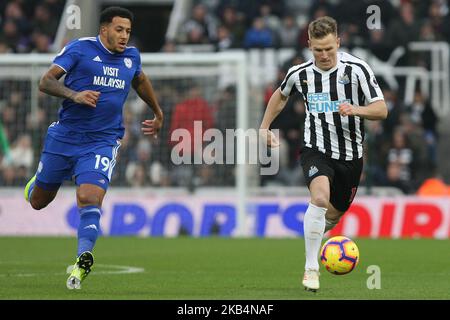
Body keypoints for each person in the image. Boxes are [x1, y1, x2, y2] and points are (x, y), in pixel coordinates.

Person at [23, 7, 163, 290]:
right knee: (38, 201)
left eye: (128, 32)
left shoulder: (131, 57)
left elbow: (140, 80)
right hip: (65, 137)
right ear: (104, 30)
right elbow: (46, 81)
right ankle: (36, 183)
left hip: (102, 141)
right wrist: (74, 94)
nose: (124, 36)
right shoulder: (79, 49)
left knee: (89, 197)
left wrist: (158, 113)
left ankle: (82, 257)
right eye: (119, 30)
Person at [259, 16, 387, 292]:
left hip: (351, 156)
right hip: (315, 149)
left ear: (338, 42)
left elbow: (381, 109)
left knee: (333, 213)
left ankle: (314, 231)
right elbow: (281, 95)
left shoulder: (357, 70)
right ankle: (311, 269)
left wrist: (356, 109)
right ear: (309, 46)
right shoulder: (300, 73)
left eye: (329, 48)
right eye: (318, 50)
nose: (325, 55)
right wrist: (264, 126)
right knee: (318, 198)